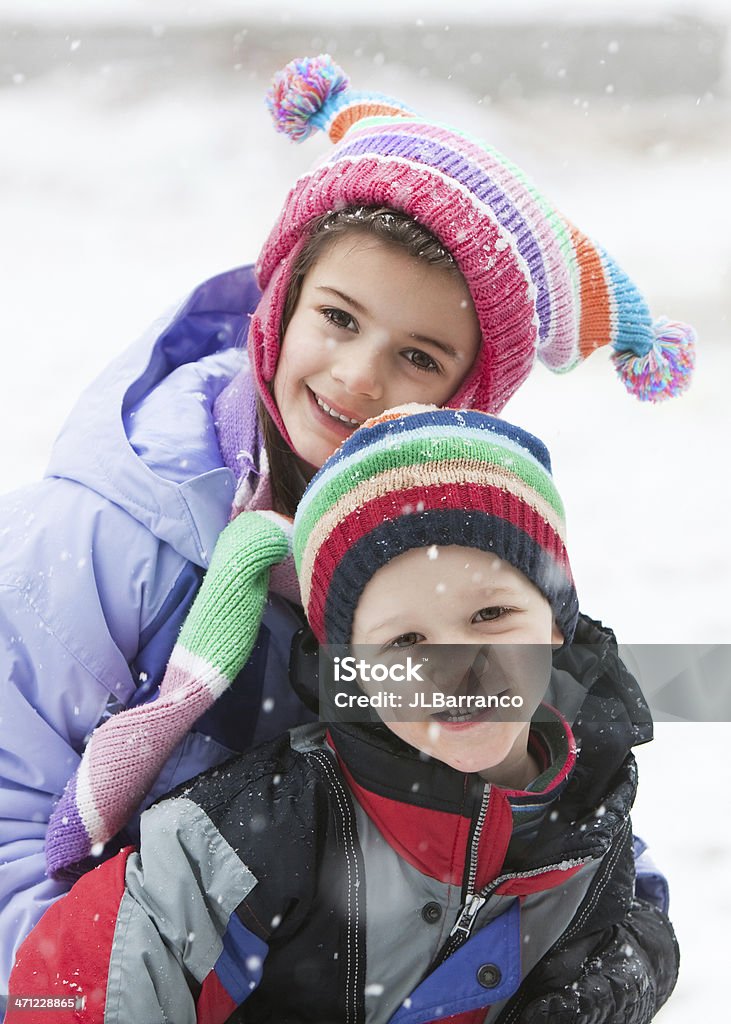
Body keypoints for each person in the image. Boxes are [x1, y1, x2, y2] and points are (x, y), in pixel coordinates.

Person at [0, 53, 693, 997]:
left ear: (466, 393)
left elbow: (539, 780)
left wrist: (617, 946)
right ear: (279, 303)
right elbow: (10, 819)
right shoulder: (107, 534)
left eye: (417, 354)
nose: (360, 376)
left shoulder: (461, 554)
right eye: (337, 317)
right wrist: (92, 990)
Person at [6, 405, 679, 1024]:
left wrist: (630, 973)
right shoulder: (254, 830)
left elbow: (623, 926)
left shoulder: (594, 807)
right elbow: (78, 982)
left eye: (490, 615)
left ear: (556, 625)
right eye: (405, 641)